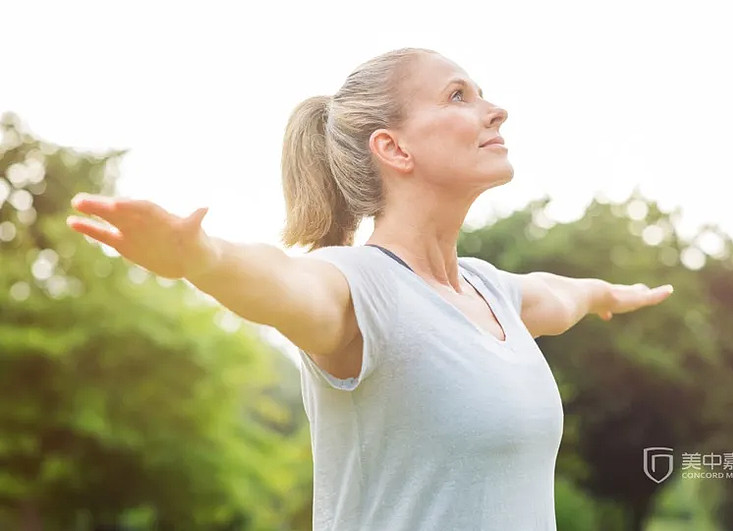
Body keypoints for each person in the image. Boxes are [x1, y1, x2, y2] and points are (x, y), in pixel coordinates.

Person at [67, 47, 673, 530]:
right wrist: (203, 256)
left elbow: (565, 295)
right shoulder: (361, 287)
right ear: (393, 147)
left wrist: (611, 294)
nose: (495, 110)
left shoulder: (496, 293)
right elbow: (282, 280)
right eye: (458, 95)